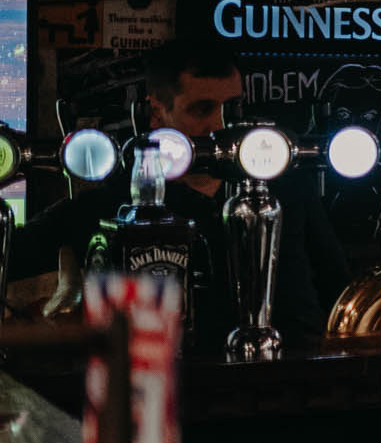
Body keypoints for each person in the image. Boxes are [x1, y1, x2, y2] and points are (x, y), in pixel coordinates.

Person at [11, 41, 350, 348]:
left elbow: (340, 287)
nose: (220, 126)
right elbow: (18, 251)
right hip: (187, 391)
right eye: (202, 109)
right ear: (158, 113)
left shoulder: (287, 187)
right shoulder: (120, 205)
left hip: (298, 381)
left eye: (231, 109)